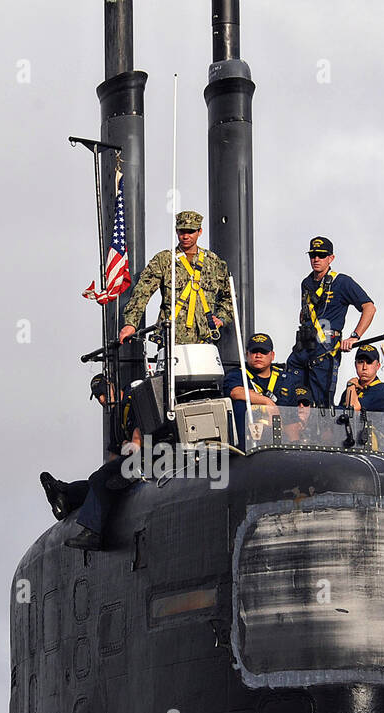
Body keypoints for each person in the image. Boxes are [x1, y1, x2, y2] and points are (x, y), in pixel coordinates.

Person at [40, 374, 143, 552]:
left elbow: (137, 442)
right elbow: (113, 455)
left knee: (99, 480)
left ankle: (93, 533)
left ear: (112, 386)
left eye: (102, 393)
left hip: (147, 459)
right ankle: (65, 495)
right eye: (97, 397)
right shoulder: (115, 414)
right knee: (99, 484)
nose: (101, 400)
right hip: (128, 462)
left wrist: (127, 448)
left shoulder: (133, 399)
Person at [118, 211, 233, 346]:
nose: (185, 236)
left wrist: (221, 318)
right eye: (181, 232)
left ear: (199, 231)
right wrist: (130, 324)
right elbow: (142, 293)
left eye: (190, 232)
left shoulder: (214, 262)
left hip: (205, 342)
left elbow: (229, 297)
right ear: (176, 231)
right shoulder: (164, 260)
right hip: (171, 341)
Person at [287, 236, 376, 406]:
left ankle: (322, 430)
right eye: (313, 255)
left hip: (325, 348)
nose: (316, 259)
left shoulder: (342, 282)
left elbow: (369, 307)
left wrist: (354, 336)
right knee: (293, 395)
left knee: (320, 403)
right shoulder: (306, 283)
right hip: (303, 346)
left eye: (321, 255)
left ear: (331, 258)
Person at [221, 333, 305, 447]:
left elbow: (291, 419)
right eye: (254, 351)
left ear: (272, 355)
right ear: (247, 354)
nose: (258, 355)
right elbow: (236, 392)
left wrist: (294, 446)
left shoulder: (285, 379)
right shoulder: (236, 374)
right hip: (245, 447)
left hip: (276, 446)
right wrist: (267, 403)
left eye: (263, 352)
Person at [340, 344, 384, 414]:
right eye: (360, 362)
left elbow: (353, 409)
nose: (364, 367)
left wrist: (350, 384)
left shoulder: (381, 390)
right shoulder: (350, 390)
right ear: (355, 365)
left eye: (369, 362)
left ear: (378, 366)